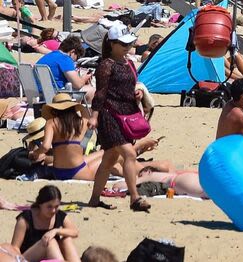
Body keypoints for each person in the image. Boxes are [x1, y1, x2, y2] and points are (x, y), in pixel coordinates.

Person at [86, 24, 149, 212]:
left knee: (109, 159)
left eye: (128, 43)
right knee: (129, 154)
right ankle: (134, 199)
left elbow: (129, 86)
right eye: (122, 44)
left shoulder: (128, 62)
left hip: (126, 114)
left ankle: (94, 199)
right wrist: (94, 116)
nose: (127, 47)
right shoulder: (106, 64)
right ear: (112, 44)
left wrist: (137, 93)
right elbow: (100, 93)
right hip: (109, 115)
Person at [12, 186, 79, 262]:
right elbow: (14, 247)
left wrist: (55, 231)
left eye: (56, 206)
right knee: (50, 241)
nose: (53, 210)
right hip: (27, 258)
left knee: (67, 239)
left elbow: (75, 232)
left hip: (52, 256)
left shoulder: (58, 215)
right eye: (49, 206)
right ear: (40, 204)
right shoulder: (26, 218)